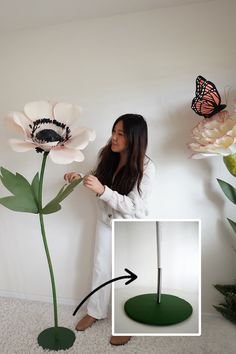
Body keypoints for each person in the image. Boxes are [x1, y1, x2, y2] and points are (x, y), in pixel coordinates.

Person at [64, 113, 155, 346]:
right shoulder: (108, 155)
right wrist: (81, 177)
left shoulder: (147, 167)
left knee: (129, 276)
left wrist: (103, 191)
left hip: (129, 228)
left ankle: (129, 321)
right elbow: (100, 180)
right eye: (113, 131)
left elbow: (136, 208)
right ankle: (95, 310)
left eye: (120, 134)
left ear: (134, 138)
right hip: (105, 221)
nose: (113, 138)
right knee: (100, 267)